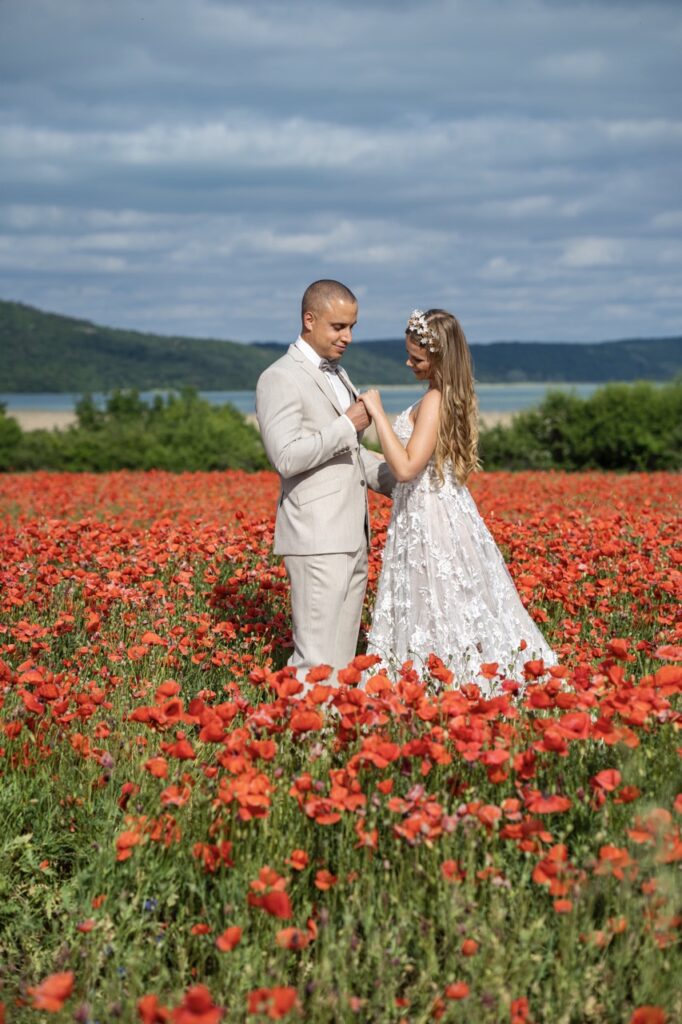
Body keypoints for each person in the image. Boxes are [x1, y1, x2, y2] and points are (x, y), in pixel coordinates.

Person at [359, 308, 556, 692]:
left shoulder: (434, 400)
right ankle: (439, 677)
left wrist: (377, 414)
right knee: (438, 601)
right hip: (433, 506)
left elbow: (406, 468)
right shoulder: (443, 395)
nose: (408, 362)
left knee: (437, 600)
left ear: (438, 357)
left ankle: (445, 683)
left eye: (416, 357)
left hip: (430, 514)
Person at [256, 279, 394, 681]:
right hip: (316, 539)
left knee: (343, 665)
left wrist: (405, 480)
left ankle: (330, 738)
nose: (348, 337)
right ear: (309, 319)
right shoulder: (279, 377)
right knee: (314, 663)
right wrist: (346, 424)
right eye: (338, 327)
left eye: (352, 327)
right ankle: (299, 739)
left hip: (352, 537)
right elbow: (286, 456)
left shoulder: (339, 373)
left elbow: (349, 456)